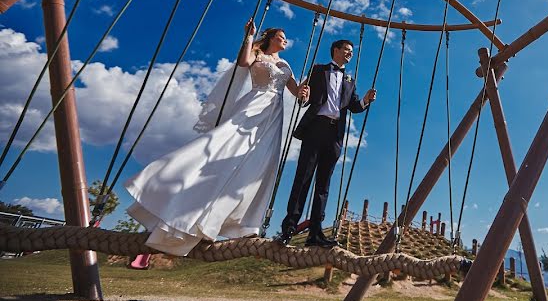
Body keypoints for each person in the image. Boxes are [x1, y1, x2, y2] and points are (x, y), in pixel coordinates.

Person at [124, 20, 309, 256]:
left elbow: (296, 93)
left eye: (285, 38)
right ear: (271, 38)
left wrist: (304, 90)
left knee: (260, 163)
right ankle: (168, 180)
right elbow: (243, 63)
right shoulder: (257, 54)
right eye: (281, 36)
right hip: (253, 105)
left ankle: (239, 221)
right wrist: (248, 37)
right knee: (224, 145)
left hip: (273, 115)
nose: (285, 40)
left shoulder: (286, 65)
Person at [275, 38, 376, 247]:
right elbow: (305, 98)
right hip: (315, 127)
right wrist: (302, 97)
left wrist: (365, 100)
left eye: (351, 51)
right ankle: (289, 228)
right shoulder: (318, 70)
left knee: (323, 184)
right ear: (336, 50)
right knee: (303, 178)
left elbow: (354, 106)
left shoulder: (350, 80)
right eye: (347, 50)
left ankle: (315, 233)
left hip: (335, 133)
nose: (350, 54)